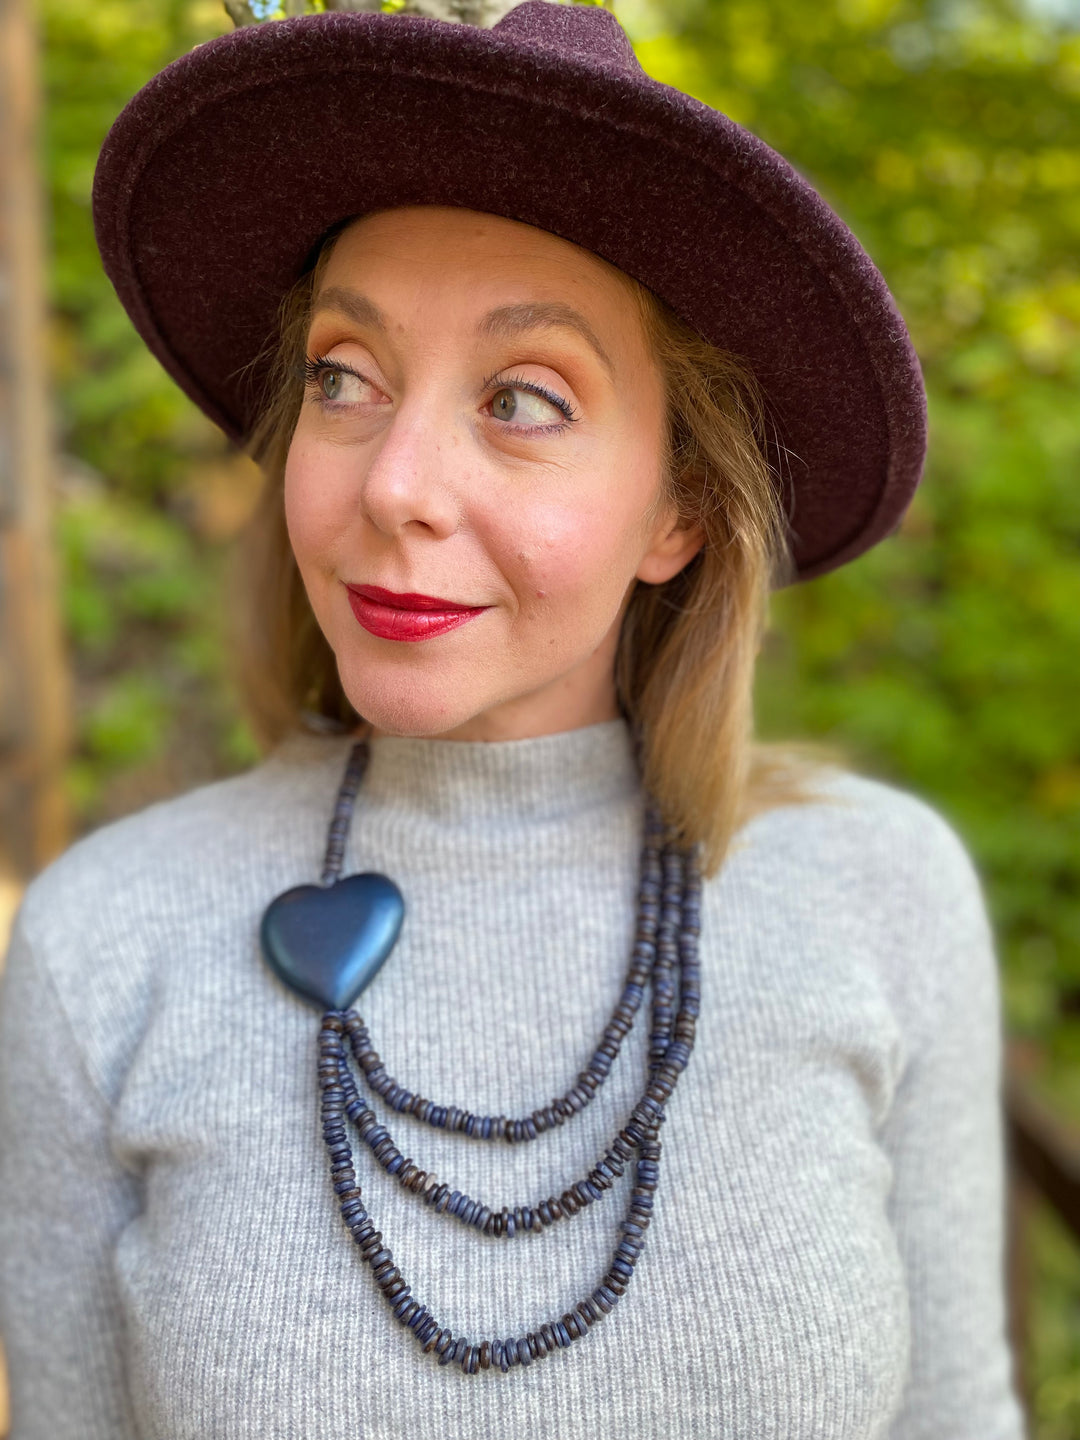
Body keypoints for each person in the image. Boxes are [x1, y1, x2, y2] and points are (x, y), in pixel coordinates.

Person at [0, 3, 1027, 1437]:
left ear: (681, 509)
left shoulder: (876, 890)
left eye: (524, 398)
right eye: (342, 379)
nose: (395, 482)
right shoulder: (105, 945)